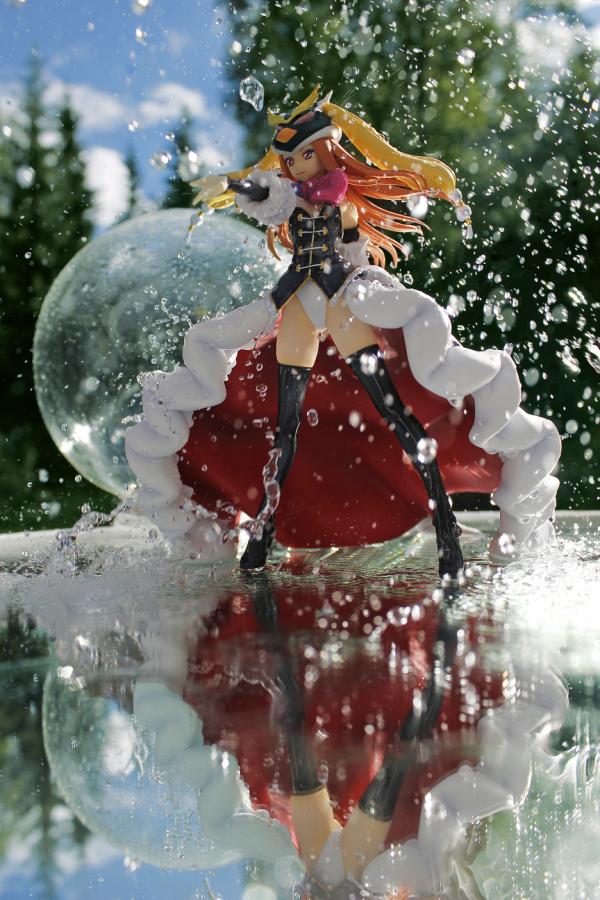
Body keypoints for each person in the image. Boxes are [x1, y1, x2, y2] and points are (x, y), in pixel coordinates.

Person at [124, 84, 561, 578]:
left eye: (305, 155)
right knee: (285, 426)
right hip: (297, 302)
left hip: (341, 303)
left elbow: (318, 193)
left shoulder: (336, 197)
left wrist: (263, 187)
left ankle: (446, 529)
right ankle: (261, 538)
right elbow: (272, 197)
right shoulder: (290, 198)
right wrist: (234, 184)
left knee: (396, 415)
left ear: (327, 151)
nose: (296, 167)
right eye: (289, 160)